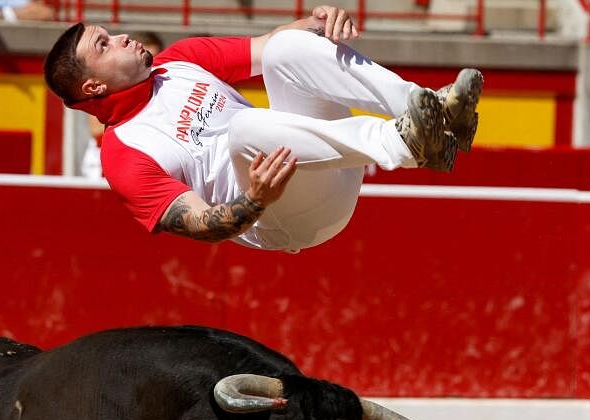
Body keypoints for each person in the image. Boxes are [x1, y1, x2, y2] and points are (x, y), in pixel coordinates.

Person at [44, 6, 482, 252]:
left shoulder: (179, 60)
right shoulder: (123, 155)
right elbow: (199, 223)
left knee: (286, 47)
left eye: (111, 33)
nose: (121, 37)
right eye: (105, 44)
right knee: (245, 127)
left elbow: (278, 45)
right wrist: (254, 199)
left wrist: (322, 23)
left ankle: (435, 116)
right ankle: (404, 142)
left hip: (326, 164)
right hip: (288, 218)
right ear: (94, 85)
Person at [80, 31, 163, 179]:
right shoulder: (112, 88)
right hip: (109, 159)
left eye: (155, 57)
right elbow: (98, 130)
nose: (150, 61)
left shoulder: (163, 81)